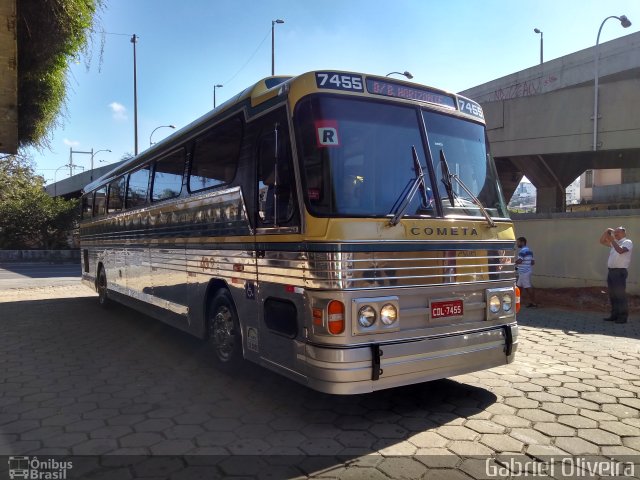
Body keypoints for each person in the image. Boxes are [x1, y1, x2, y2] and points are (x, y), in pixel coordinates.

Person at [599, 226, 633, 324]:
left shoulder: (627, 242)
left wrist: (612, 240)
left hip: (619, 272)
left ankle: (623, 317)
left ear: (624, 233)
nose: (616, 234)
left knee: (620, 295)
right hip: (611, 272)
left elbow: (621, 251)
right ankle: (614, 315)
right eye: (615, 232)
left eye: (618, 232)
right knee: (613, 295)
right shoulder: (615, 243)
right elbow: (601, 241)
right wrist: (606, 232)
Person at [516, 236, 537, 308]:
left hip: (524, 272)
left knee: (528, 287)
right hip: (525, 271)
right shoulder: (530, 251)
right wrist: (525, 264)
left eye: (518, 242)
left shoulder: (522, 251)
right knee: (518, 287)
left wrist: (511, 263)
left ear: (522, 242)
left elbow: (520, 261)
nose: (517, 244)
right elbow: (533, 262)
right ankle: (516, 301)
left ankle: (533, 303)